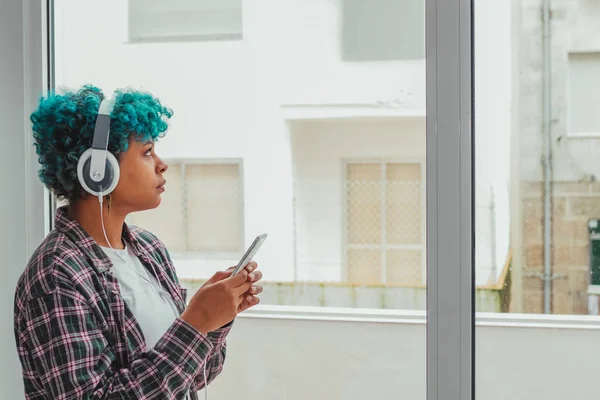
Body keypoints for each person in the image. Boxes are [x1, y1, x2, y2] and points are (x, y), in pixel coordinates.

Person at [13, 84, 263, 400]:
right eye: (146, 152)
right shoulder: (56, 276)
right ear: (98, 170)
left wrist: (215, 318)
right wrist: (196, 321)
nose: (161, 164)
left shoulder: (149, 249)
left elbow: (196, 376)